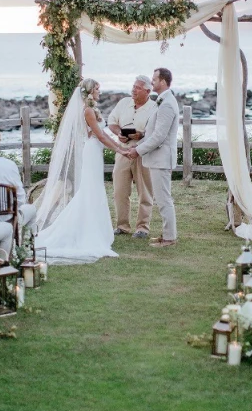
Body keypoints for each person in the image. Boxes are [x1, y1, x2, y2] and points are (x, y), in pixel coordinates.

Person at [34, 78, 129, 264]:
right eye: (97, 88)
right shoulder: (88, 111)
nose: (99, 91)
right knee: (90, 191)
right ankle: (86, 231)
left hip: (95, 152)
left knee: (94, 191)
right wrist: (120, 149)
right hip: (92, 151)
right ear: (89, 91)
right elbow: (100, 136)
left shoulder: (91, 110)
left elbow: (103, 134)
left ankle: (95, 229)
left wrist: (119, 144)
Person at [128, 68, 179, 248]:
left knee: (164, 198)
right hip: (158, 158)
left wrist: (138, 151)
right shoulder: (164, 101)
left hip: (161, 158)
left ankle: (169, 238)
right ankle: (167, 234)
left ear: (163, 81)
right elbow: (154, 132)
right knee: (161, 197)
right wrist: (140, 142)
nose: (152, 82)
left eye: (154, 79)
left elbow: (159, 136)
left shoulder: (167, 104)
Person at [108, 75, 156, 238]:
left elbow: (156, 132)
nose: (133, 90)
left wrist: (141, 135)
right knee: (120, 190)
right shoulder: (123, 103)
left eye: (138, 88)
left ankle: (143, 227)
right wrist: (119, 134)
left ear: (148, 91)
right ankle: (122, 226)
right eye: (133, 86)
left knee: (145, 191)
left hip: (143, 153)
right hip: (123, 152)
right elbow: (112, 122)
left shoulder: (154, 107)